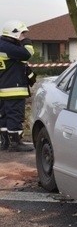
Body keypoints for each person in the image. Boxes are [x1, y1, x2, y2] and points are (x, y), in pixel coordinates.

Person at [0, 20, 35, 152]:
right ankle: (16, 143)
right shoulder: (7, 48)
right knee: (15, 115)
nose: (23, 36)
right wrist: (26, 42)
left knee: (4, 116)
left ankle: (5, 142)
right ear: (13, 33)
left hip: (4, 89)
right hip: (13, 89)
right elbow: (27, 54)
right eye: (22, 34)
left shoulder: (3, 45)